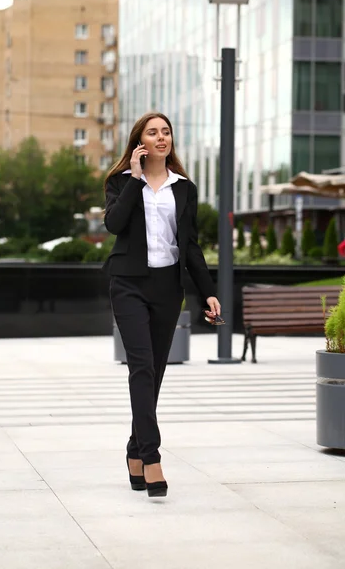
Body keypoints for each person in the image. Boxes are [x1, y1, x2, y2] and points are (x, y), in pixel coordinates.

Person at [103, 112, 220, 498]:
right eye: (152, 132)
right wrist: (135, 178)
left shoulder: (184, 187)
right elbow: (114, 225)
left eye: (166, 131)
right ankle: (151, 458)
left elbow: (190, 245)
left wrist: (209, 291)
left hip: (167, 287)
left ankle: (133, 450)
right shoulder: (120, 181)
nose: (161, 137)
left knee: (154, 372)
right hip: (128, 283)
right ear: (139, 141)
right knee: (140, 366)